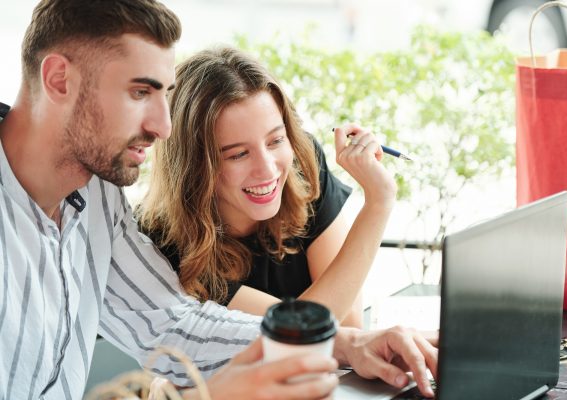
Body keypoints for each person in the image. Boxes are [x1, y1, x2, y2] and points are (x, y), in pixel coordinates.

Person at [0, 1, 437, 399]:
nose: (164, 127)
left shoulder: (96, 194)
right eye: (139, 93)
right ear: (59, 79)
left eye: (163, 94)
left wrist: (346, 342)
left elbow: (171, 322)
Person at [138, 47, 397, 328]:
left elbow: (348, 322)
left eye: (275, 141)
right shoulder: (165, 243)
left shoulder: (302, 164)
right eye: (237, 154)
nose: (268, 169)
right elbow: (307, 329)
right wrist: (378, 203)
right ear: (193, 166)